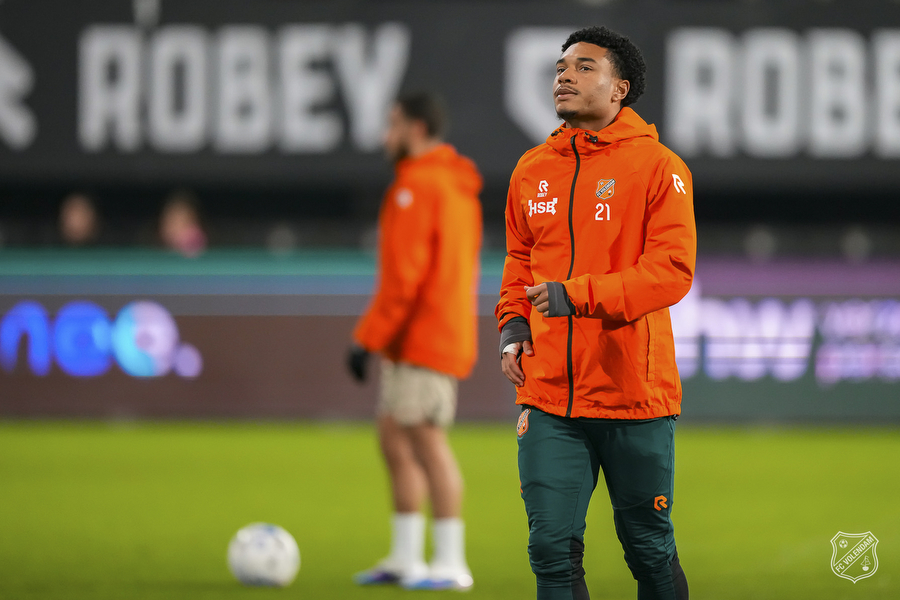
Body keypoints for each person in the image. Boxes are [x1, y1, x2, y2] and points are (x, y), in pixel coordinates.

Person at [496, 26, 696, 600]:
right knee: (551, 551)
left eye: (585, 67)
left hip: (633, 395)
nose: (565, 75)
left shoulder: (660, 167)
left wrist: (577, 295)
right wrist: (513, 324)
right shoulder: (532, 168)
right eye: (562, 67)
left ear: (619, 88)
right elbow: (519, 259)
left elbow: (671, 271)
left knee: (648, 549)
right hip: (549, 396)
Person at [347, 92, 483, 591]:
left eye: (394, 125)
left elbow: (404, 279)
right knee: (394, 437)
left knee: (426, 441)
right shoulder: (453, 184)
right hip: (431, 333)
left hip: (424, 337)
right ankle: (407, 558)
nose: (387, 136)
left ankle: (450, 562)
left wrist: (366, 339)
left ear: (417, 129)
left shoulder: (417, 186)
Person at [159, 189, 207, 257]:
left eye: (179, 221)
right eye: (172, 221)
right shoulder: (156, 241)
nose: (174, 226)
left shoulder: (194, 236)